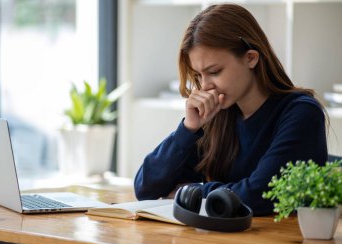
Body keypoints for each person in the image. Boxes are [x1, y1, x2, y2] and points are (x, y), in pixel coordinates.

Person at [133, 3, 327, 215]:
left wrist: (191, 191)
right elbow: (146, 188)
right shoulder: (219, 113)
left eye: (214, 71)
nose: (205, 86)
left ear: (250, 58)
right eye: (198, 75)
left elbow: (260, 195)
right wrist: (187, 129)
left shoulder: (301, 113)